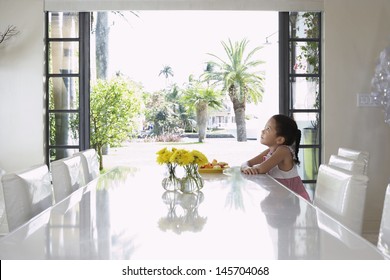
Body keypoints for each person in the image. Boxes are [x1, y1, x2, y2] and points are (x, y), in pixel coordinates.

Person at [241, 114, 311, 202]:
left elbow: (262, 169)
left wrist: (249, 168)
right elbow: (248, 163)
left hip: (294, 200)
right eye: (265, 128)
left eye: (268, 129)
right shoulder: (269, 151)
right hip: (280, 197)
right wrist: (246, 167)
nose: (263, 131)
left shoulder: (283, 151)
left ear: (280, 140)